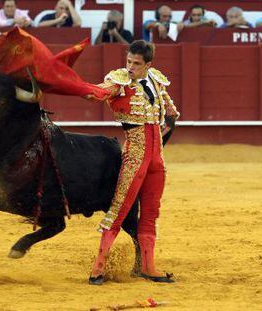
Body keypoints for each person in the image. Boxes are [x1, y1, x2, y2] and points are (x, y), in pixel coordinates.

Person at [87, 40, 180, 285]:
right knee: (119, 210)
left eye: (136, 64)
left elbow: (171, 113)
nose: (130, 67)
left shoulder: (157, 81)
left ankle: (148, 267)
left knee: (150, 213)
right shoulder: (119, 82)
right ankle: (98, 268)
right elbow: (100, 92)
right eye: (129, 61)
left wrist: (165, 131)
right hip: (135, 157)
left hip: (156, 162)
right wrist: (81, 88)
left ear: (147, 64)